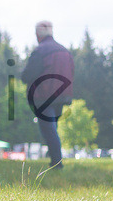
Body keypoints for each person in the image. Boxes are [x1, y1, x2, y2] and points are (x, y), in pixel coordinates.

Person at [21, 20, 74, 169]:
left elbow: (28, 75)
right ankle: (55, 161)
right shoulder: (65, 51)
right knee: (53, 128)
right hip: (62, 95)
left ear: (38, 35)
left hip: (43, 96)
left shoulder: (40, 51)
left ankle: (57, 164)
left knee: (48, 130)